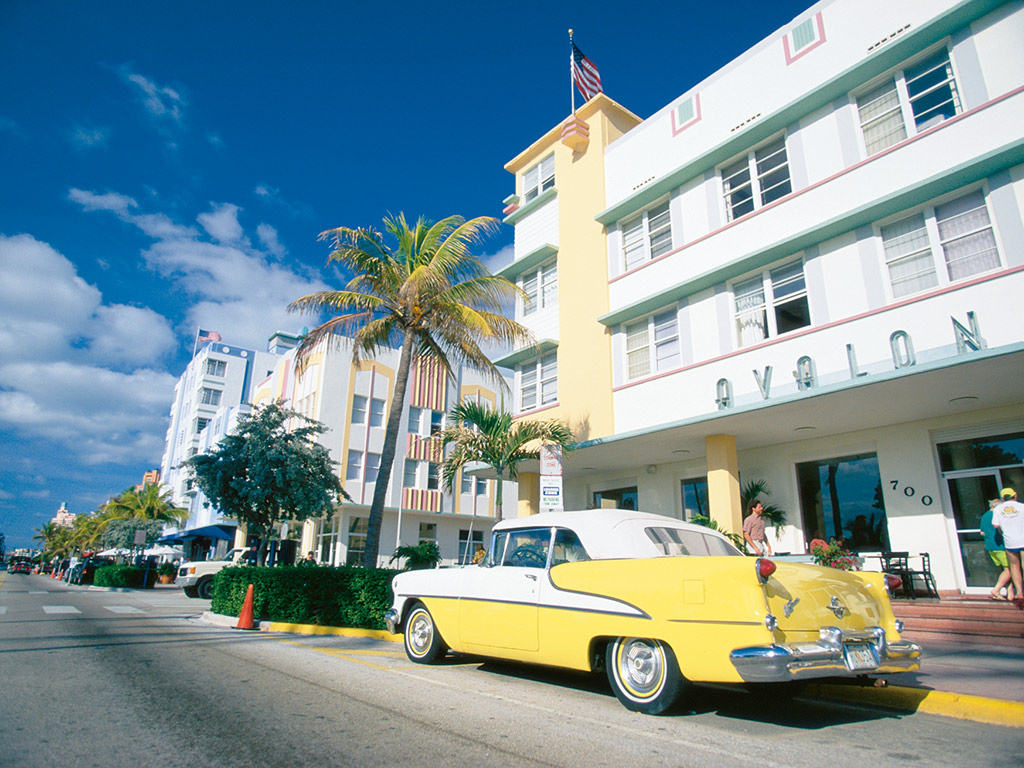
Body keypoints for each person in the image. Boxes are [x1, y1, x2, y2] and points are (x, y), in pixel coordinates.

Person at [992, 487, 1024, 610]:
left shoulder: (998, 509)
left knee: (1014, 567)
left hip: (1010, 542)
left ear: (1003, 498)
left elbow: (995, 525)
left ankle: (1019, 593)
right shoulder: (1021, 507)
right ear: (1015, 495)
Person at [981, 499, 1015, 601]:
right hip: (999, 545)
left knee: (1005, 570)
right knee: (1010, 569)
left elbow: (982, 532)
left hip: (990, 546)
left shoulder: (984, 516)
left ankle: (1010, 593)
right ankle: (996, 590)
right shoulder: (996, 515)